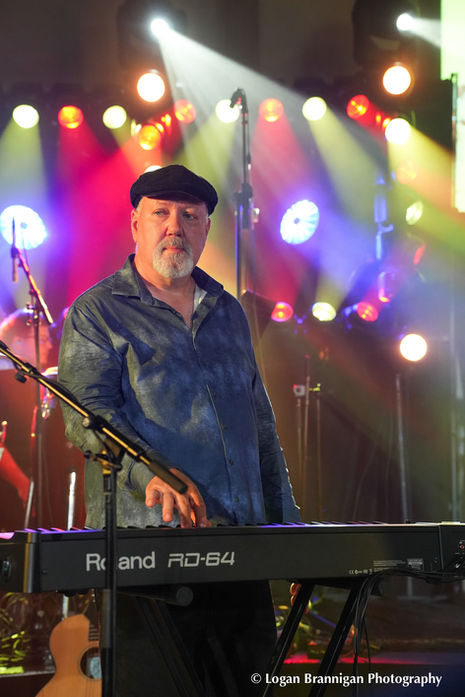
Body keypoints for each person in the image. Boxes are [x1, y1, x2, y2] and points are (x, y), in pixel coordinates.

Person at [58, 164, 300, 696]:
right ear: (136, 224)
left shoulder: (229, 311)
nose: (175, 227)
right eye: (161, 214)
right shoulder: (97, 311)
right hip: (147, 552)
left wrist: (291, 534)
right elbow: (85, 416)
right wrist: (149, 473)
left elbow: (260, 426)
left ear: (206, 229)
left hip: (240, 547)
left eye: (190, 216)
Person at [0, 307, 84, 530]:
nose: (48, 345)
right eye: (42, 339)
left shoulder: (35, 383)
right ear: (17, 342)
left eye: (48, 339)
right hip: (9, 493)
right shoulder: (4, 382)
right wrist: (22, 484)